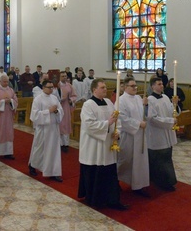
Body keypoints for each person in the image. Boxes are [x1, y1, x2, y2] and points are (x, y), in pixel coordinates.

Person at [78, 78, 128, 210]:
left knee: (109, 173)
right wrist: (108, 124)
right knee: (96, 172)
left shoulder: (108, 102)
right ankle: (95, 200)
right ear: (94, 90)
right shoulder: (88, 105)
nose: (105, 89)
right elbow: (89, 125)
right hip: (94, 146)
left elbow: (117, 119)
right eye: (102, 87)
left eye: (105, 87)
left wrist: (117, 131)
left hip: (108, 145)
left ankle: (112, 200)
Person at [118, 77, 150, 197]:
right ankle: (116, 180)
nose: (135, 88)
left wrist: (145, 106)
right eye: (132, 86)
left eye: (136, 85)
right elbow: (122, 118)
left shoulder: (138, 98)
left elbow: (143, 114)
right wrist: (137, 124)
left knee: (139, 162)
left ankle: (138, 185)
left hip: (140, 135)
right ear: (125, 87)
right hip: (129, 136)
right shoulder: (121, 100)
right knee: (125, 161)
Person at [28, 80, 64, 182]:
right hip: (43, 129)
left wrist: (57, 111)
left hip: (53, 128)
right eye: (49, 87)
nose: (51, 89)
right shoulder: (38, 99)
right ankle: (32, 165)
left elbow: (61, 110)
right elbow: (34, 115)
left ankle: (53, 172)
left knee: (53, 151)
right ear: (43, 87)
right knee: (39, 149)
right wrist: (48, 111)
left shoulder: (54, 98)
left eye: (52, 87)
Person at [146, 77, 178, 191]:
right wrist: (170, 122)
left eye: (162, 84)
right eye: (159, 84)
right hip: (157, 134)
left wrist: (174, 105)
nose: (161, 86)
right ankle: (162, 182)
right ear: (152, 86)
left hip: (167, 133)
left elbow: (172, 112)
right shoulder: (150, 100)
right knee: (159, 161)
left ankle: (168, 181)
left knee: (167, 158)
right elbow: (152, 119)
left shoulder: (165, 97)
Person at [55, 71, 77, 153]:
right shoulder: (56, 85)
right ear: (59, 77)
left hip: (66, 107)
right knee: (59, 125)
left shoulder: (69, 86)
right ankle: (60, 144)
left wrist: (71, 100)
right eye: (62, 76)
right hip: (58, 107)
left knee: (66, 125)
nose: (64, 77)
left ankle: (66, 144)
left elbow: (74, 96)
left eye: (65, 76)